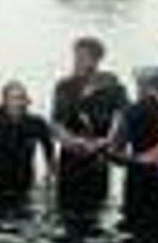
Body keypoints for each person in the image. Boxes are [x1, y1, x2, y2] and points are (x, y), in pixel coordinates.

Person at [50, 37, 129, 210]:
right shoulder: (64, 86)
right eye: (75, 56)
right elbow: (56, 123)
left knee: (96, 206)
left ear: (96, 60)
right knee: (66, 207)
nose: (77, 61)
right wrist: (71, 141)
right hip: (71, 155)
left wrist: (110, 141)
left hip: (100, 155)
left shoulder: (113, 86)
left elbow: (125, 117)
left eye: (83, 57)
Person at [109, 65, 158, 232]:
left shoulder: (131, 112)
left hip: (143, 181)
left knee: (136, 233)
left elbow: (114, 152)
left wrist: (137, 160)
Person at [0, 80, 56, 211]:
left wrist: (51, 174)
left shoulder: (36, 124)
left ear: (27, 101)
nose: (18, 103)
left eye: (21, 98)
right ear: (4, 101)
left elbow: (49, 149)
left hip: (23, 182)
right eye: (13, 99)